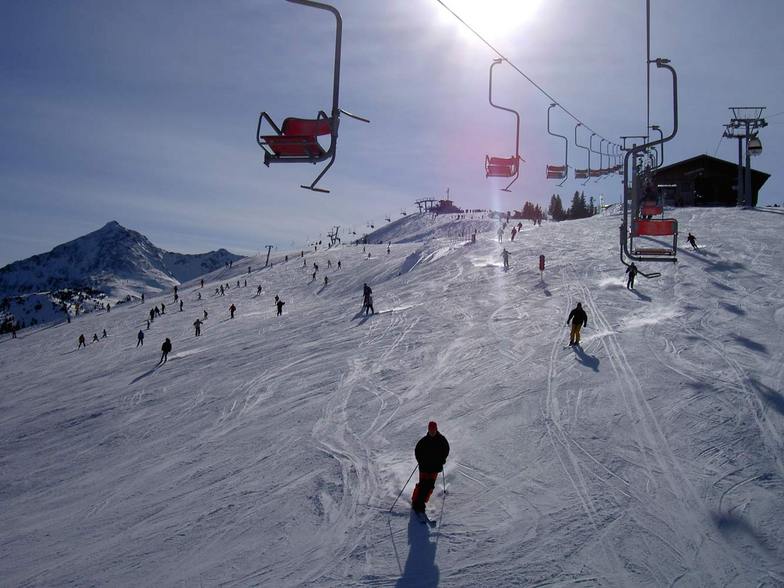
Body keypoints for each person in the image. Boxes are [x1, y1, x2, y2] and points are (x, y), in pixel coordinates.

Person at [411, 421, 450, 513]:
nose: (432, 432)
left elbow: (446, 450)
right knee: (422, 485)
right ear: (428, 430)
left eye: (433, 430)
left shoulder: (442, 440)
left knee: (430, 486)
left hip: (435, 468)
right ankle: (415, 502)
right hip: (424, 467)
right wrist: (420, 460)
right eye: (430, 431)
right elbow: (417, 451)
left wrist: (442, 460)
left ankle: (422, 503)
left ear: (436, 429)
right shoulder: (424, 441)